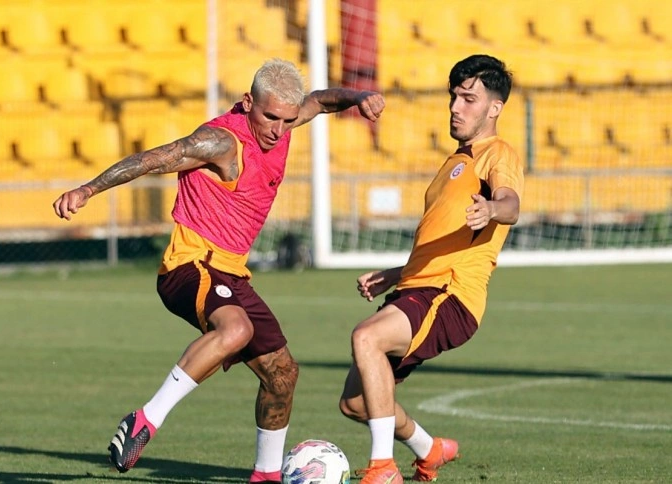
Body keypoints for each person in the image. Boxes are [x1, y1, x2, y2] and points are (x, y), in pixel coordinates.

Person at [53, 58, 385, 483]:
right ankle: (146, 419)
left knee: (282, 373)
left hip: (231, 274)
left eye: (287, 120)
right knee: (237, 330)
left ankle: (266, 475)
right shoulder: (220, 142)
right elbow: (152, 159)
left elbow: (320, 101)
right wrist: (87, 189)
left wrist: (359, 97)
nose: (278, 130)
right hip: (190, 264)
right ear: (248, 102)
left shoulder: (283, 122)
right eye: (270, 117)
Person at [338, 54, 523, 484]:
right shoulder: (453, 162)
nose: (456, 107)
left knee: (366, 337)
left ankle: (383, 468)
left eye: (469, 99)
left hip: (450, 295)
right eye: (454, 97)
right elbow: (440, 239)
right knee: (356, 403)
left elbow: (511, 204)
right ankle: (429, 449)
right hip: (417, 288)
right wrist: (396, 274)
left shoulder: (498, 154)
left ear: (494, 107)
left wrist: (492, 209)